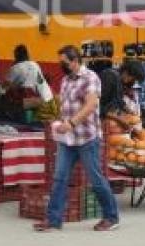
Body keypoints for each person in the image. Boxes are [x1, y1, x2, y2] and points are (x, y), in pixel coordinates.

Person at [34, 45, 119, 232]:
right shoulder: (65, 80)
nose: (61, 65)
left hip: (87, 137)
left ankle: (111, 217)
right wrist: (59, 122)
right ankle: (53, 220)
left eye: (64, 62)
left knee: (96, 179)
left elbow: (90, 105)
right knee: (59, 178)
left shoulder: (90, 78)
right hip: (68, 140)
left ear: (74, 61)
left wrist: (71, 123)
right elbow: (65, 105)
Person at [8, 45, 59, 123]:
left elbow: (6, 85)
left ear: (16, 56)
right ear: (27, 54)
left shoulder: (15, 68)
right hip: (43, 98)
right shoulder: (35, 64)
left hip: (26, 100)